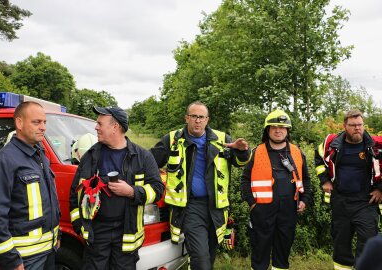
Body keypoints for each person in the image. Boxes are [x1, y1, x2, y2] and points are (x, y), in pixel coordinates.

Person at [150, 101, 250, 270]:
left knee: (209, 256)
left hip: (216, 208)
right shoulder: (173, 139)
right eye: (194, 116)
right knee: (201, 258)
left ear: (207, 120)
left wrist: (242, 151)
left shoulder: (222, 139)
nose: (197, 121)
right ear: (186, 118)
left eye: (201, 117)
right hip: (190, 207)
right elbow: (150, 162)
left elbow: (241, 162)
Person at [69, 106, 164, 270]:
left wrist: (132, 192)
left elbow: (157, 189)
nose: (96, 127)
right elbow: (75, 193)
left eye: (100, 123)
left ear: (115, 127)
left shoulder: (142, 157)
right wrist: (80, 226)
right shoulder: (91, 156)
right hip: (97, 236)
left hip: (126, 235)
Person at [0, 101, 61, 270]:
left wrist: (57, 235)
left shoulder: (39, 156)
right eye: (36, 122)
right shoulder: (3, 162)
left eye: (44, 122)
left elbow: (49, 201)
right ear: (19, 123)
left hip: (48, 251)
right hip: (24, 259)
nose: (43, 127)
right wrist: (11, 260)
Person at [240, 109, 312, 270]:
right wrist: (252, 204)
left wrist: (305, 201)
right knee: (259, 253)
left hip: (289, 211)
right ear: (268, 130)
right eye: (274, 127)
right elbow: (244, 180)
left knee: (283, 253)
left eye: (282, 127)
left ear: (287, 130)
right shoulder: (256, 152)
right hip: (262, 212)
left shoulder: (297, 152)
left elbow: (306, 179)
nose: (278, 130)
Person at [315, 109, 382, 269]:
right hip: (340, 201)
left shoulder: (375, 146)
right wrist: (324, 180)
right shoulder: (332, 143)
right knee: (341, 244)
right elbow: (319, 159)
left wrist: (380, 189)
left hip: (366, 202)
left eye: (360, 125)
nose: (357, 128)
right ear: (345, 126)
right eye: (353, 125)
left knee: (368, 240)